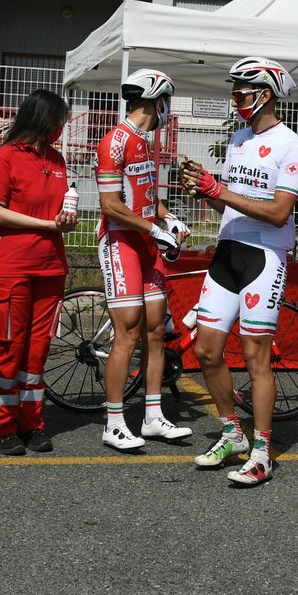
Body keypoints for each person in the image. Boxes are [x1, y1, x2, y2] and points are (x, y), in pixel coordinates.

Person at [179, 57, 298, 487]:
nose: (234, 99)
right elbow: (227, 202)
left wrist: (221, 191)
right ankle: (233, 432)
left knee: (256, 358)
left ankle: (263, 452)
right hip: (227, 251)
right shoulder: (236, 140)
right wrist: (206, 190)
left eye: (241, 92)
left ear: (264, 94)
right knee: (207, 351)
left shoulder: (293, 145)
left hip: (264, 256)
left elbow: (277, 213)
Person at [95, 68, 192, 450]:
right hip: (122, 242)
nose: (167, 110)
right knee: (129, 332)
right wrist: (152, 230)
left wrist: (168, 217)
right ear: (157, 100)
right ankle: (114, 421)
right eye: (166, 102)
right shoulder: (115, 141)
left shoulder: (144, 141)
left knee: (155, 331)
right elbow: (110, 205)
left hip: (148, 243)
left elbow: (146, 195)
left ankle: (153, 415)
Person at [0, 89, 79, 456]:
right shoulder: (6, 156)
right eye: (59, 122)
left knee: (37, 353)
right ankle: (3, 428)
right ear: (44, 120)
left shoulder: (56, 159)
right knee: (8, 350)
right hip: (13, 267)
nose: (61, 128)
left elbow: (61, 209)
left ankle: (32, 424)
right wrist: (46, 225)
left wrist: (66, 221)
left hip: (51, 267)